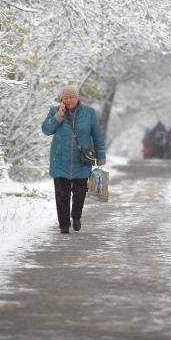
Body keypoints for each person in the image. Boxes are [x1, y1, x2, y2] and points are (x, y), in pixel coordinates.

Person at [41, 84, 106, 233]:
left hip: (82, 160)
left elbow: (97, 135)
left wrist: (101, 156)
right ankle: (64, 225)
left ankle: (76, 216)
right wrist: (58, 116)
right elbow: (46, 130)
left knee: (80, 192)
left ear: (77, 98)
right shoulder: (54, 111)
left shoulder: (89, 113)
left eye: (71, 97)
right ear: (62, 100)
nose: (68, 100)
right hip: (60, 160)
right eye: (65, 98)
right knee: (61, 194)